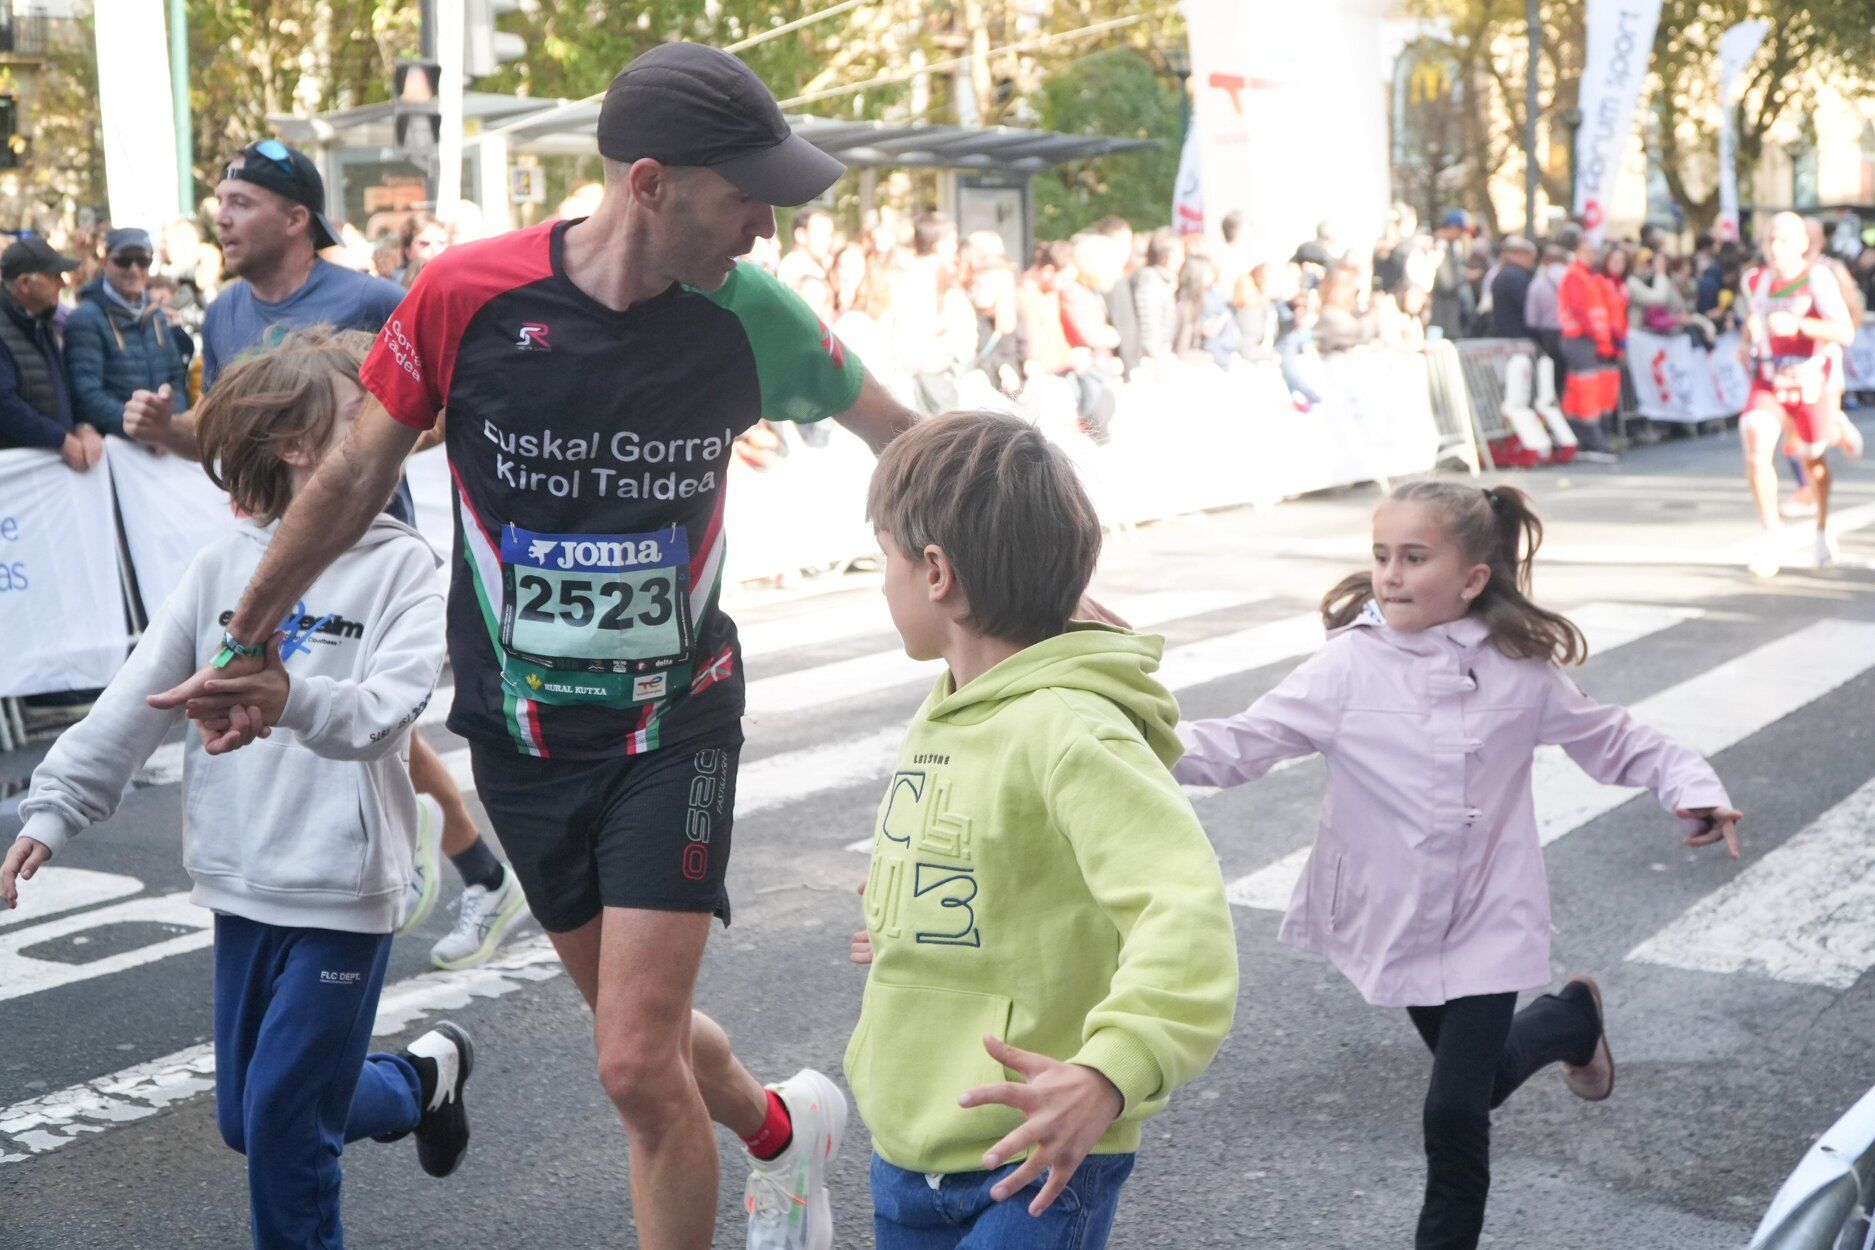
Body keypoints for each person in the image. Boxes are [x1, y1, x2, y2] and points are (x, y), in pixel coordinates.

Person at [149, 42, 928, 1250]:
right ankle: (782, 1130)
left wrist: (1036, 585)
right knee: (647, 1036)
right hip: (522, 738)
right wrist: (249, 634)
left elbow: (908, 441)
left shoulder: (750, 316)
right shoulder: (468, 297)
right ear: (652, 184)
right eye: (745, 195)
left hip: (679, 725)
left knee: (627, 1061)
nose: (767, 228)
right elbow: (356, 469)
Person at [1175, 479, 1742, 1250]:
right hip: (1396, 916)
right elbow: (1238, 746)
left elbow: (1614, 738)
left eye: (1414, 558)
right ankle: (1569, 1020)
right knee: (1482, 1077)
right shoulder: (1344, 670)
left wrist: (1691, 788)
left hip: (1487, 916)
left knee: (1452, 1114)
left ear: (1472, 578)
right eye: (1380, 557)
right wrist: (1121, 734)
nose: (1390, 575)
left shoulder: (1519, 671)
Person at [1, 328, 476, 1248]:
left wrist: (288, 695)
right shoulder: (222, 566)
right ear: (298, 446)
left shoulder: (403, 563)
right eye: (361, 411)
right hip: (239, 881)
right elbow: (137, 699)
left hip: (344, 890)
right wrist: (55, 810)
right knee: (246, 1119)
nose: (390, 425)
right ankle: (421, 1082)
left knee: (285, 1129)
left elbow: (386, 716)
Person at [123, 139, 517, 973]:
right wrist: (170, 433)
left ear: (296, 217)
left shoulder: (373, 297)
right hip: (276, 544)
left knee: (357, 711)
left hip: (363, 541)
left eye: (240, 202)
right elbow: (231, 431)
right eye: (219, 201)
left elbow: (439, 408)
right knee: (307, 709)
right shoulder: (228, 311)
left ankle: (419, 871)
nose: (219, 217)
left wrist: (346, 462)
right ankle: (461, 866)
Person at [851, 411, 1237, 1249]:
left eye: (881, 556)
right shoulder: (951, 706)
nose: (878, 580)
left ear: (934, 571)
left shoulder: (1070, 728)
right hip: (908, 1146)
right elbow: (1003, 863)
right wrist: (903, 916)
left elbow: (1185, 912)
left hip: (1039, 1158)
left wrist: (1108, 1073)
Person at [1738, 211, 1857, 576]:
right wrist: (1747, 340)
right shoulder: (1755, 281)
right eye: (1770, 239)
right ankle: (1772, 534)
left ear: (1802, 244)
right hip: (1771, 380)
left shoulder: (1817, 278)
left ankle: (1822, 528)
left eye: (1784, 240)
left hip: (1809, 382)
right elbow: (1753, 323)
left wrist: (1800, 324)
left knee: (1813, 462)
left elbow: (1845, 331)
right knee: (1755, 439)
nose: (1775, 248)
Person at [64, 227, 190, 439]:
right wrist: (147, 429)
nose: (134, 268)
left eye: (143, 260)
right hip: (115, 448)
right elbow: (86, 394)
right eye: (123, 260)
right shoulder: (85, 318)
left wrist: (169, 427)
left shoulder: (155, 314)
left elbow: (176, 379)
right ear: (106, 262)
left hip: (160, 444)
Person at [0, 237, 97, 469]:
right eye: (54, 276)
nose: (62, 283)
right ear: (25, 283)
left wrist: (81, 426)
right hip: (17, 475)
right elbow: (5, 404)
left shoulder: (39, 320)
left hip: (43, 468)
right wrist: (61, 440)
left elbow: (60, 387)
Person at [1556, 235, 1620, 456]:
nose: (1592, 256)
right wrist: (1600, 338)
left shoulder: (1587, 276)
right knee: (1587, 388)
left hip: (1586, 339)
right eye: (1587, 252)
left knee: (1580, 387)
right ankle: (1591, 435)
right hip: (1580, 339)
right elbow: (1581, 311)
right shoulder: (1576, 276)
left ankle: (1578, 432)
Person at [1091, 215, 1141, 377]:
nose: (1127, 249)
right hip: (1115, 365)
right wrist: (1131, 366)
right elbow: (1123, 326)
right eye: (1122, 243)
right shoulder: (1111, 280)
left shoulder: (1118, 277)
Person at [1131, 228, 1182, 364]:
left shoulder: (1162, 281)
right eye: (1180, 254)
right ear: (1167, 257)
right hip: (1152, 360)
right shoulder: (1149, 281)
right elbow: (1149, 322)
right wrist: (1157, 358)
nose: (1182, 259)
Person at [1486, 236, 1536, 339]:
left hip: (1504, 332)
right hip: (1515, 334)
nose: (1532, 262)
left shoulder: (1505, 273)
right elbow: (1526, 304)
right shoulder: (1515, 276)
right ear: (1521, 255)